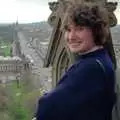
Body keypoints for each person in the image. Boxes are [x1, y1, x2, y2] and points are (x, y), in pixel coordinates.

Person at [35, 2, 116, 120]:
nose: (71, 37)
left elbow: (48, 106)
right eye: (68, 29)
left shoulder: (91, 68)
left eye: (79, 29)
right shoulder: (99, 59)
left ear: (95, 30)